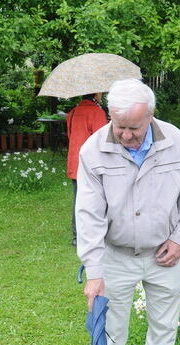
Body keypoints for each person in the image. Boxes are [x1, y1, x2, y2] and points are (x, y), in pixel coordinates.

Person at [76, 78, 180, 345]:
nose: (126, 135)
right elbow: (89, 215)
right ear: (110, 116)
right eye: (119, 126)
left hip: (165, 255)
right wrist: (94, 271)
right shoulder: (93, 150)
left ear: (150, 116)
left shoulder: (175, 141)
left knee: (164, 331)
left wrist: (179, 239)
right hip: (115, 256)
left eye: (134, 127)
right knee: (110, 333)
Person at [66, 94, 108, 246]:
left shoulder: (73, 112)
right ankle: (95, 232)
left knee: (79, 198)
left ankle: (77, 235)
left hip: (75, 161)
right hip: (92, 162)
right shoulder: (97, 112)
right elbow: (102, 140)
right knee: (98, 198)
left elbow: (70, 134)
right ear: (96, 94)